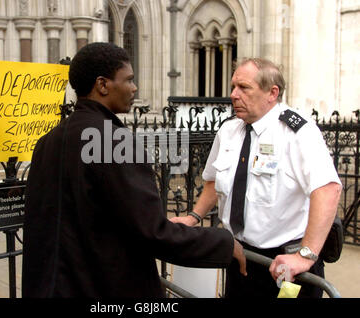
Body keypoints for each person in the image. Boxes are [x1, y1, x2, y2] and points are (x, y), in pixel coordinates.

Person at [22, 42, 246, 298]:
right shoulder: (112, 140)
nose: (134, 87)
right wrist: (223, 244)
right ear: (103, 85)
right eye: (128, 79)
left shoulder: (48, 141)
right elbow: (152, 231)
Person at [171, 58, 342, 298]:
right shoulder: (229, 130)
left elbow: (328, 189)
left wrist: (305, 255)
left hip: (285, 266)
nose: (233, 94)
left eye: (244, 87)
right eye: (233, 87)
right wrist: (193, 216)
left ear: (272, 93)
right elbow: (214, 181)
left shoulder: (297, 133)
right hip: (240, 256)